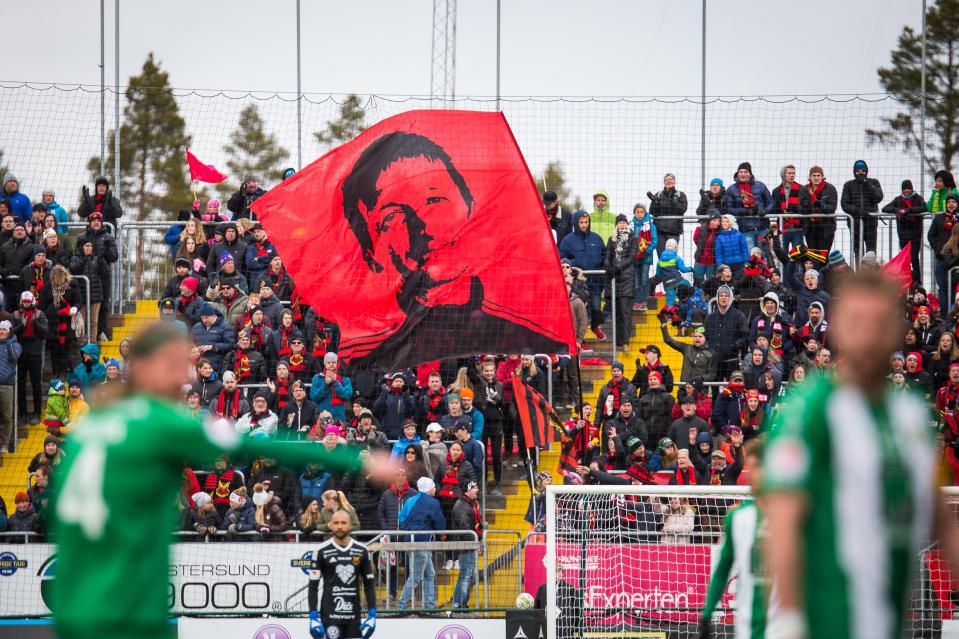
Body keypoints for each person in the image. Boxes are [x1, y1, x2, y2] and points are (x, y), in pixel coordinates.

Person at [51, 322, 389, 639]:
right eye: (172, 364)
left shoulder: (90, 428)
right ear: (140, 368)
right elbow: (254, 444)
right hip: (126, 611)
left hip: (73, 607)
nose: (183, 374)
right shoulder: (158, 421)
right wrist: (355, 458)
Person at [764, 271, 959, 639]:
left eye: (879, 322)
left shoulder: (910, 414)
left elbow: (937, 511)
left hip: (889, 617)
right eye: (856, 321)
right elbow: (785, 520)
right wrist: (791, 616)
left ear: (894, 330)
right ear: (839, 330)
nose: (868, 334)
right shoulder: (810, 412)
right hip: (826, 619)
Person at [338, 133, 568, 369]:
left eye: (434, 200)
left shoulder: (523, 325)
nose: (423, 227)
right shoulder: (369, 350)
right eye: (394, 216)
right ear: (370, 254)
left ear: (471, 208)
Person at [699, 441, 776, 639]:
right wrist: (707, 614)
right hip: (747, 625)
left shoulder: (796, 515)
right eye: (754, 467)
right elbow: (723, 569)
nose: (757, 474)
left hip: (784, 624)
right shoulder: (738, 518)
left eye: (762, 465)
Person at [307, 509, 377, 639]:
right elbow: (313, 586)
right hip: (330, 617)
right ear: (331, 525)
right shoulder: (320, 551)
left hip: (353, 617)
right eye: (336, 523)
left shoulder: (362, 551)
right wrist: (313, 616)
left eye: (344, 522)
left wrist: (372, 614)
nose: (340, 526)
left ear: (350, 525)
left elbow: (369, 585)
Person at [397, 476, 446, 610]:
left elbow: (401, 519)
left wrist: (412, 527)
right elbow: (439, 522)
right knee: (416, 576)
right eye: (433, 486)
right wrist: (441, 533)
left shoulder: (410, 500)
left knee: (429, 574)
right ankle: (401, 606)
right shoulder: (433, 503)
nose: (435, 489)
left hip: (411, 541)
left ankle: (430, 606)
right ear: (429, 489)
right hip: (422, 542)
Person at [560, 210, 607, 341]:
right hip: (578, 283)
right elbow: (563, 258)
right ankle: (581, 339)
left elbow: (604, 255)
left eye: (586, 222)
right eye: (581, 222)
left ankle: (595, 326)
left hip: (596, 281)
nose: (584, 225)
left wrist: (603, 268)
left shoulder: (596, 238)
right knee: (581, 312)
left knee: (597, 307)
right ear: (576, 223)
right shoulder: (568, 240)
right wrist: (577, 263)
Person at [882, 180, 927, 285]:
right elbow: (885, 209)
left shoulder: (918, 198)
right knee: (905, 259)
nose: (906, 191)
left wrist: (909, 210)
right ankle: (905, 281)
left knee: (914, 259)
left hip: (916, 234)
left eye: (908, 188)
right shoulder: (898, 200)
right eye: (905, 189)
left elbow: (925, 208)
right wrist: (898, 210)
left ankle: (917, 282)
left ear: (912, 189)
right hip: (903, 235)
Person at [604, 214, 637, 351]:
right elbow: (608, 256)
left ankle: (625, 342)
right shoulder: (611, 239)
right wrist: (608, 266)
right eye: (620, 223)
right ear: (616, 225)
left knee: (625, 313)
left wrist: (619, 266)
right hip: (613, 281)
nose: (622, 225)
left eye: (624, 223)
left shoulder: (633, 239)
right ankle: (617, 341)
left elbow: (631, 257)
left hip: (627, 280)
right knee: (615, 313)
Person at [840, 159, 884, 261]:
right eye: (858, 171)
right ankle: (859, 275)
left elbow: (878, 197)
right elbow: (844, 204)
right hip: (855, 222)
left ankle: (870, 275)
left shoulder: (874, 182)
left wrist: (867, 184)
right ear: (854, 172)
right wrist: (858, 211)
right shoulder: (848, 185)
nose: (861, 173)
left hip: (871, 222)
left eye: (863, 171)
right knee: (857, 251)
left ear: (867, 171)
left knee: (871, 251)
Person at [725, 162, 772, 250]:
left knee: (766, 256)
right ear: (737, 174)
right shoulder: (732, 189)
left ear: (750, 174)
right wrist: (744, 211)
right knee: (749, 257)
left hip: (763, 228)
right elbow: (729, 209)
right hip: (745, 229)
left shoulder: (760, 186)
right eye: (741, 172)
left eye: (746, 172)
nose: (743, 174)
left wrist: (765, 211)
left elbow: (771, 202)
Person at [450, 480, 483, 609]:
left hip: (469, 544)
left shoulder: (470, 504)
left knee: (465, 574)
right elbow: (466, 528)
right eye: (475, 488)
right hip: (466, 545)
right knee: (466, 575)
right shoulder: (462, 506)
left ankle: (459, 602)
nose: (478, 490)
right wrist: (476, 542)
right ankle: (459, 603)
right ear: (467, 490)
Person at [705, 285, 748, 382]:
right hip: (714, 363)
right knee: (714, 393)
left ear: (730, 298)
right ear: (717, 298)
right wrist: (710, 349)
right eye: (721, 295)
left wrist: (732, 346)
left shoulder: (739, 316)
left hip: (732, 361)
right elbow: (706, 336)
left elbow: (744, 337)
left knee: (734, 390)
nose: (724, 298)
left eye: (726, 296)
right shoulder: (710, 317)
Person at [648, 173, 688, 255]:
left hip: (674, 231)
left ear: (674, 182)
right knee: (661, 256)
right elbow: (652, 212)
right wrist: (655, 203)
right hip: (660, 232)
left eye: (671, 179)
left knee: (671, 257)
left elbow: (682, 210)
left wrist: (673, 199)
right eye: (667, 179)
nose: (669, 181)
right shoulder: (658, 195)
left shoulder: (680, 195)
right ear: (664, 182)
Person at [310, 352, 353, 423]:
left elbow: (347, 395)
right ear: (325, 364)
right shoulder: (317, 378)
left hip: (339, 417)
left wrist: (336, 383)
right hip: (322, 416)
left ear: (337, 363)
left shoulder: (344, 378)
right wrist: (326, 384)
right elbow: (314, 397)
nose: (331, 364)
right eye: (328, 362)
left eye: (333, 362)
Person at [630, 203, 657, 310]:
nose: (640, 214)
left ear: (644, 212)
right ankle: (637, 301)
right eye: (637, 212)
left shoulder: (650, 225)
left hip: (646, 257)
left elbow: (654, 241)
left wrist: (647, 251)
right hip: (634, 257)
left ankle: (643, 301)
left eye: (641, 212)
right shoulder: (631, 225)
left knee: (644, 278)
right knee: (636, 279)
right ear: (634, 213)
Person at [772, 164, 805, 251]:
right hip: (782, 228)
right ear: (783, 174)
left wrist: (791, 209)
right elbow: (774, 208)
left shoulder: (802, 189)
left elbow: (804, 206)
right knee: (783, 253)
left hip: (797, 227)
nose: (792, 175)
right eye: (789, 173)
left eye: (793, 173)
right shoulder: (776, 191)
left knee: (798, 254)